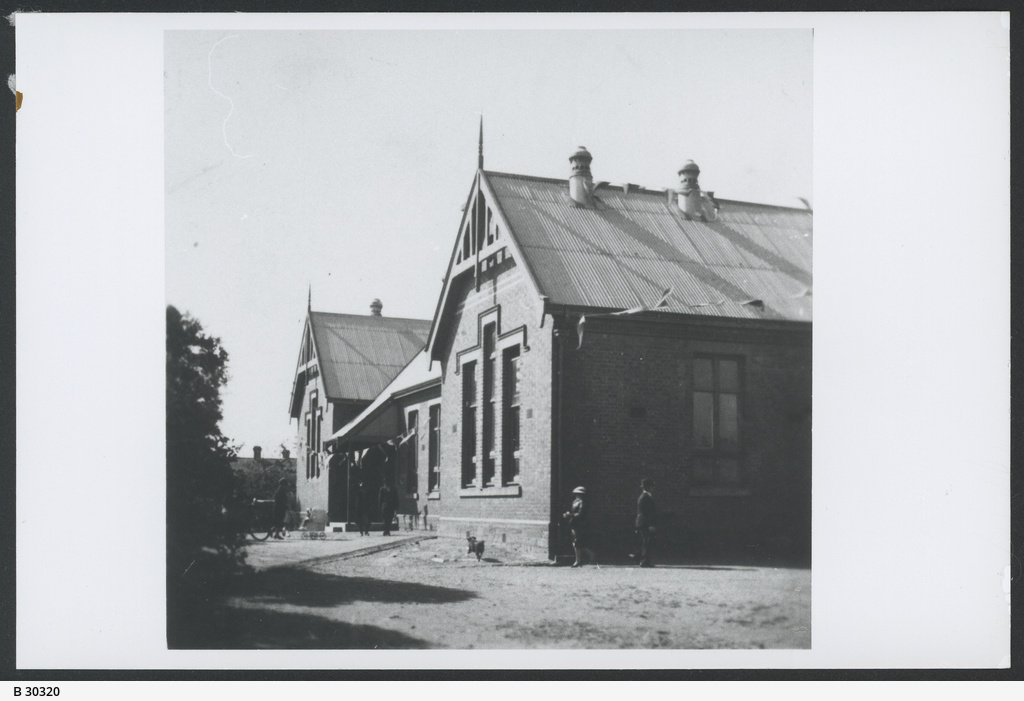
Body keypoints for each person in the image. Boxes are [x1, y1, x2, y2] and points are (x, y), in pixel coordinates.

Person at [563, 486, 590, 567]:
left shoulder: (582, 502)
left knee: (576, 541)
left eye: (579, 494)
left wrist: (570, 515)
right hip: (574, 523)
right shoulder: (575, 501)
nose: (577, 495)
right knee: (575, 541)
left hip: (579, 523)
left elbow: (580, 514)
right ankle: (580, 559)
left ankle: (578, 560)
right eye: (576, 494)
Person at [634, 478, 657, 567]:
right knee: (647, 541)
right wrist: (650, 524)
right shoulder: (645, 497)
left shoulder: (645, 496)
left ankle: (641, 559)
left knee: (645, 541)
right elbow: (647, 512)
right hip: (645, 523)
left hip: (642, 522)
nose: (652, 488)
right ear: (648, 487)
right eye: (651, 486)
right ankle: (644, 561)